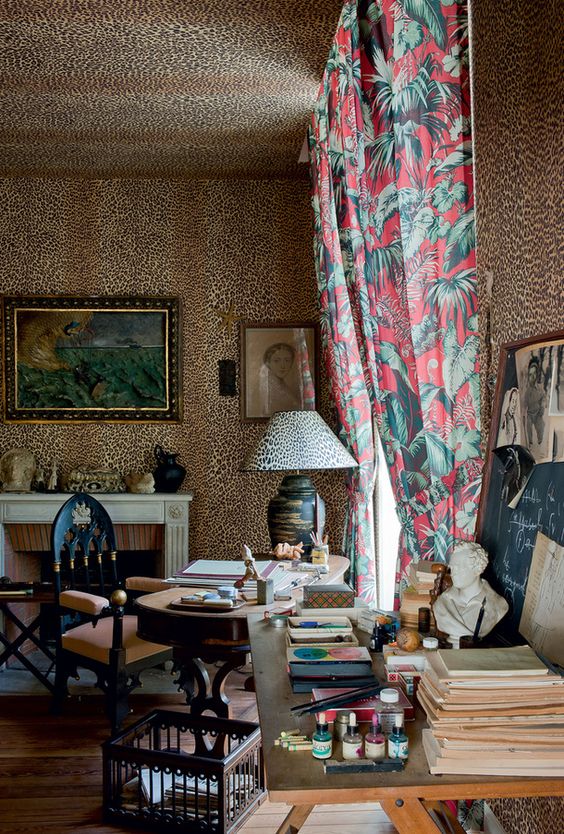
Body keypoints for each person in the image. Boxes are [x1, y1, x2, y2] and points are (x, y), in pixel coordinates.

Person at [433, 540, 509, 646]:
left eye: (459, 568)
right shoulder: (442, 601)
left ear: (477, 569)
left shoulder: (497, 604)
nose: (453, 573)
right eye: (452, 568)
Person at [258, 342, 303, 416]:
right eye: (276, 361)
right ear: (268, 363)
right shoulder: (268, 387)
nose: (282, 366)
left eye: (287, 360)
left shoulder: (282, 384)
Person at [524, 357, 545, 446]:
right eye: (530, 374)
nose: (532, 377)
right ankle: (530, 443)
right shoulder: (526, 390)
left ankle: (541, 441)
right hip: (529, 413)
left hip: (537, 412)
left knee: (541, 425)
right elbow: (524, 404)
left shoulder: (540, 389)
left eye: (534, 374)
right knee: (528, 425)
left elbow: (542, 399)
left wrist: (542, 408)